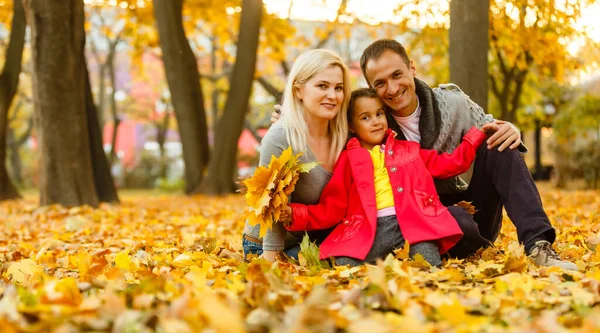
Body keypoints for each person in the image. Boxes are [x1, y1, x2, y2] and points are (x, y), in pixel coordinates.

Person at [271, 40, 577, 271]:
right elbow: (326, 120)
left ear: (412, 69)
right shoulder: (370, 128)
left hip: (451, 212)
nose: (392, 88)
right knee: (453, 223)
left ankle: (538, 245)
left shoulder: (453, 103)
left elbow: (484, 128)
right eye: (380, 83)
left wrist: (510, 128)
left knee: (496, 144)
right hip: (404, 220)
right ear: (370, 89)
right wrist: (288, 119)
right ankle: (432, 252)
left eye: (397, 75)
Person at [279, 88, 495, 266]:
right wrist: (296, 214)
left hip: (414, 226)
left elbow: (450, 164)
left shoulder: (409, 150)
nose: (376, 121)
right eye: (366, 117)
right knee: (342, 268)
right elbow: (332, 206)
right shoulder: (348, 160)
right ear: (352, 126)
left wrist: (475, 137)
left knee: (429, 266)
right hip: (368, 232)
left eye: (379, 114)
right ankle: (295, 254)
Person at [242, 49, 352, 262]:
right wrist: (271, 261)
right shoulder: (281, 136)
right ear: (298, 91)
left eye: (338, 88)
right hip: (270, 245)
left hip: (316, 239)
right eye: (322, 86)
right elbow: (271, 205)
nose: (333, 95)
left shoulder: (345, 134)